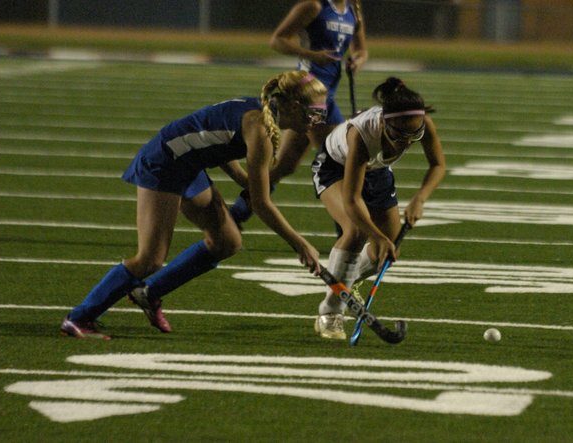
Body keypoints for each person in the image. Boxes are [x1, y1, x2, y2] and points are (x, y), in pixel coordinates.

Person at [60, 70, 328, 340]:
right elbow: (261, 204)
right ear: (294, 106)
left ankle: (149, 293)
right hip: (164, 164)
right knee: (150, 258)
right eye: (314, 113)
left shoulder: (262, 113)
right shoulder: (260, 129)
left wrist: (240, 177)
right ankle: (80, 318)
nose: (317, 121)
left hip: (188, 165)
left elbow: (213, 138)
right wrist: (300, 244)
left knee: (226, 241)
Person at [311, 77, 446, 340]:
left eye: (413, 136)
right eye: (399, 136)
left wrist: (420, 198)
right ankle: (330, 313)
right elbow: (351, 200)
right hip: (335, 168)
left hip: (378, 170)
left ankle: (345, 281)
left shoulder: (421, 122)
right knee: (355, 231)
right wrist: (376, 235)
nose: (406, 142)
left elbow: (438, 165)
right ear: (384, 122)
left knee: (387, 248)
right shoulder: (361, 135)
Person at [229, 0, 368, 228]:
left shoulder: (354, 10)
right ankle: (347, 232)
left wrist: (357, 60)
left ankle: (236, 214)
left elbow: (361, 50)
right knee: (339, 164)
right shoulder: (314, 7)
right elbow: (278, 40)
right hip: (308, 95)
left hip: (327, 95)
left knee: (285, 165)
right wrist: (311, 54)